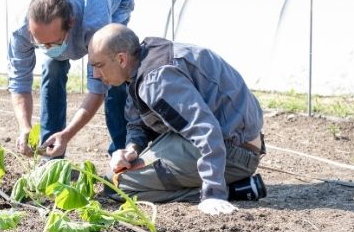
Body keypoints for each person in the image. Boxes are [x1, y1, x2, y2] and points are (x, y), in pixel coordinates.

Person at [88, 23, 267, 216]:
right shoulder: (143, 64)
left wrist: (214, 192)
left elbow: (205, 129)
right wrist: (132, 149)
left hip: (234, 151)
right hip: (231, 142)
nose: (96, 75)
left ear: (121, 59)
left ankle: (229, 190)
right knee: (118, 175)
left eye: (99, 66)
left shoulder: (156, 79)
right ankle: (237, 187)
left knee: (116, 184)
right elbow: (137, 122)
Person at [7, 0, 134, 159]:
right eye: (41, 43)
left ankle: (122, 155)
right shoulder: (22, 30)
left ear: (71, 24)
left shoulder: (95, 24)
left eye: (54, 43)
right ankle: (51, 154)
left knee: (114, 76)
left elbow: (97, 90)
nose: (47, 49)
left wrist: (67, 135)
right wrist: (25, 128)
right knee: (52, 66)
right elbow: (19, 82)